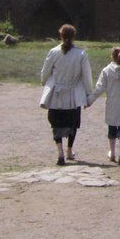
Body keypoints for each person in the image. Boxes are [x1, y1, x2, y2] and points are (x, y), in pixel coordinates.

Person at [39, 24, 93, 166]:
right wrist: (88, 94)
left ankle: (60, 152)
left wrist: (44, 81)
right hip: (73, 95)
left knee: (56, 123)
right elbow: (86, 75)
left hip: (57, 94)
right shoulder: (80, 54)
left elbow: (46, 70)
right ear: (74, 36)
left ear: (60, 36)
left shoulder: (54, 52)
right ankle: (69, 150)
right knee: (72, 123)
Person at [86, 47, 120, 165]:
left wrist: (90, 100)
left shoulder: (106, 71)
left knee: (112, 128)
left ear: (112, 57)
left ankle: (112, 152)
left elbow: (99, 88)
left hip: (112, 103)